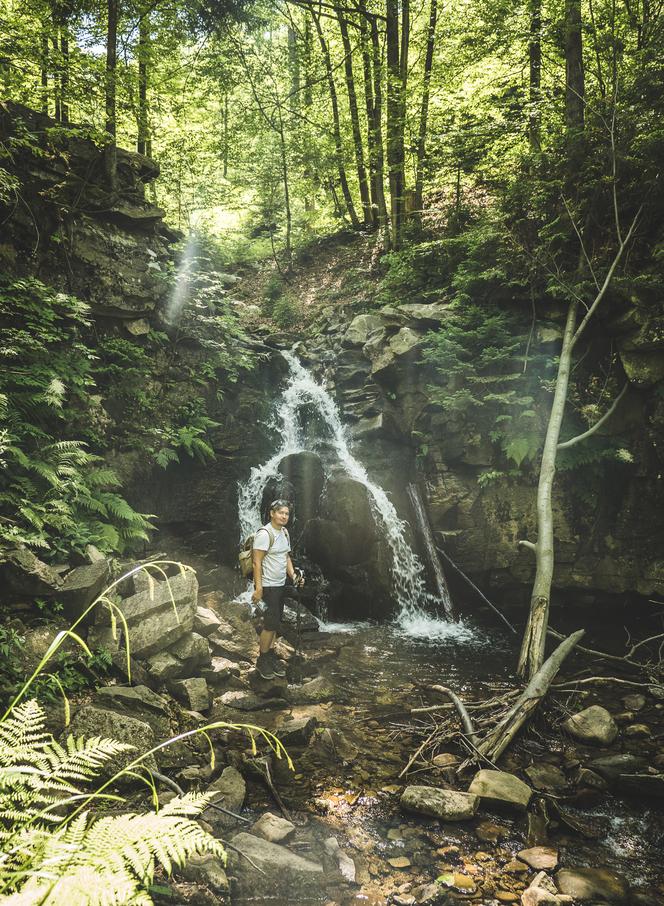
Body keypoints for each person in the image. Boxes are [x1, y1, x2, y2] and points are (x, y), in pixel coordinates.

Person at [252, 499, 303, 680]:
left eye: (287, 514)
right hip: (268, 585)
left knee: (275, 622)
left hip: (280, 584)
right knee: (270, 624)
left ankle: (270, 655)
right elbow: (256, 562)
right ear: (272, 513)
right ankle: (262, 660)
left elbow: (286, 556)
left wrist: (293, 575)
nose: (284, 516)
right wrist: (258, 589)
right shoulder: (265, 534)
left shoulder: (284, 532)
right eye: (280, 512)